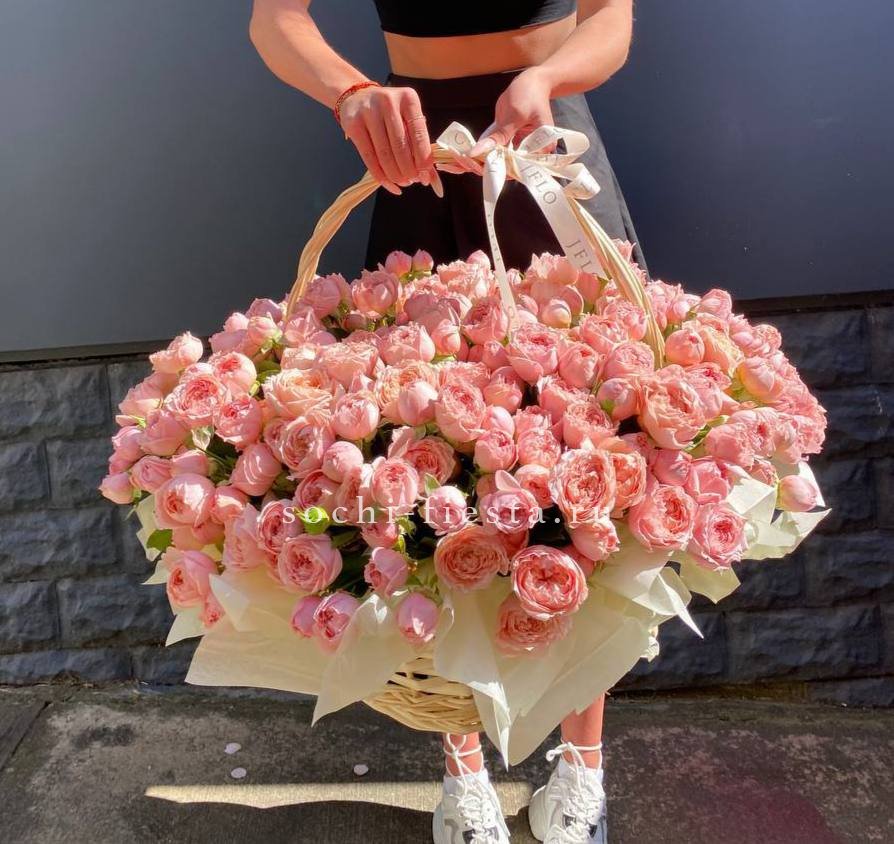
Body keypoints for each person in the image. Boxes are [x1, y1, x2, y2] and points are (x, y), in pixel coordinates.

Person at [250, 2, 643, 841]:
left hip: (540, 139)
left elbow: (611, 19)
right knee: (416, 460)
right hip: (414, 153)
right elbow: (274, 18)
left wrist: (546, 77)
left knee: (591, 458)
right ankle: (462, 768)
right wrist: (352, 92)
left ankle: (583, 762)